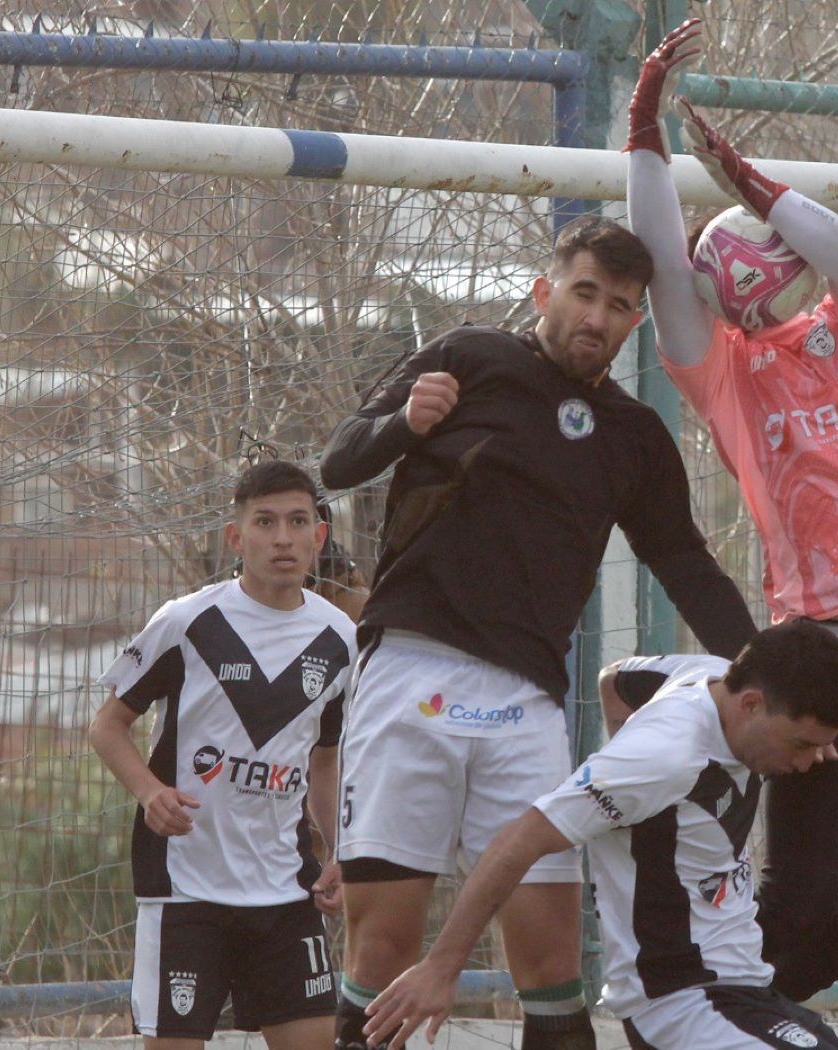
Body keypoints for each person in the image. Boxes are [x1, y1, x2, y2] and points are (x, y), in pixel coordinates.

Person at [319, 214, 757, 1050]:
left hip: (526, 698)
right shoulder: (470, 356)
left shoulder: (633, 436)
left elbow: (682, 558)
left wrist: (759, 660)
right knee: (381, 947)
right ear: (545, 289)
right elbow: (340, 460)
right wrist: (403, 425)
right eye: (585, 292)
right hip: (410, 670)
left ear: (637, 322)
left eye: (620, 305)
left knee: (555, 960)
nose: (596, 318)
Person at [622, 18, 838, 1000]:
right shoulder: (724, 375)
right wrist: (643, 124)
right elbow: (658, 250)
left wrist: (749, 181)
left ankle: (720, 1015)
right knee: (802, 891)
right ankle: (703, 1019)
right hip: (826, 652)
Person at [362, 621, 838, 1050]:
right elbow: (519, 842)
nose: (808, 762)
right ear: (751, 705)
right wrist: (441, 968)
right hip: (680, 1001)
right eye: (802, 743)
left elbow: (617, 679)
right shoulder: (660, 759)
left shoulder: (709, 674)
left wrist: (632, 794)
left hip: (742, 988)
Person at [89, 461, 356, 1050]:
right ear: (237, 537)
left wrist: (341, 849)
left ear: (319, 535)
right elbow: (108, 726)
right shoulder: (187, 622)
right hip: (185, 889)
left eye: (296, 521)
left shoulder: (341, 640)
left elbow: (324, 760)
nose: (281, 537)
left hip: (286, 891)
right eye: (264, 522)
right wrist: (149, 792)